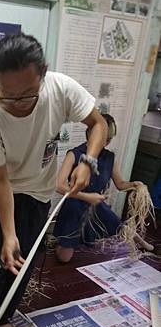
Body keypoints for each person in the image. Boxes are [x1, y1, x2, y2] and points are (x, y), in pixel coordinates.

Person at [0, 32, 108, 327]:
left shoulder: (60, 88)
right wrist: (8, 233)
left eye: (27, 94)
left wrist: (88, 161)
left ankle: (5, 321)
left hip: (40, 194)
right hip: (1, 195)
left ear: (42, 74)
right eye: (8, 94)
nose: (17, 104)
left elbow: (98, 123)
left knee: (22, 266)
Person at [54, 113, 154, 263]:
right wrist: (85, 197)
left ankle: (144, 245)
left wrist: (133, 185)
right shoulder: (74, 154)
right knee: (64, 259)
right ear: (90, 134)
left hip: (96, 203)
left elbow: (120, 184)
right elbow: (59, 186)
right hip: (75, 203)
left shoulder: (109, 157)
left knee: (119, 226)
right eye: (103, 138)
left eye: (109, 139)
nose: (106, 142)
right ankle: (60, 243)